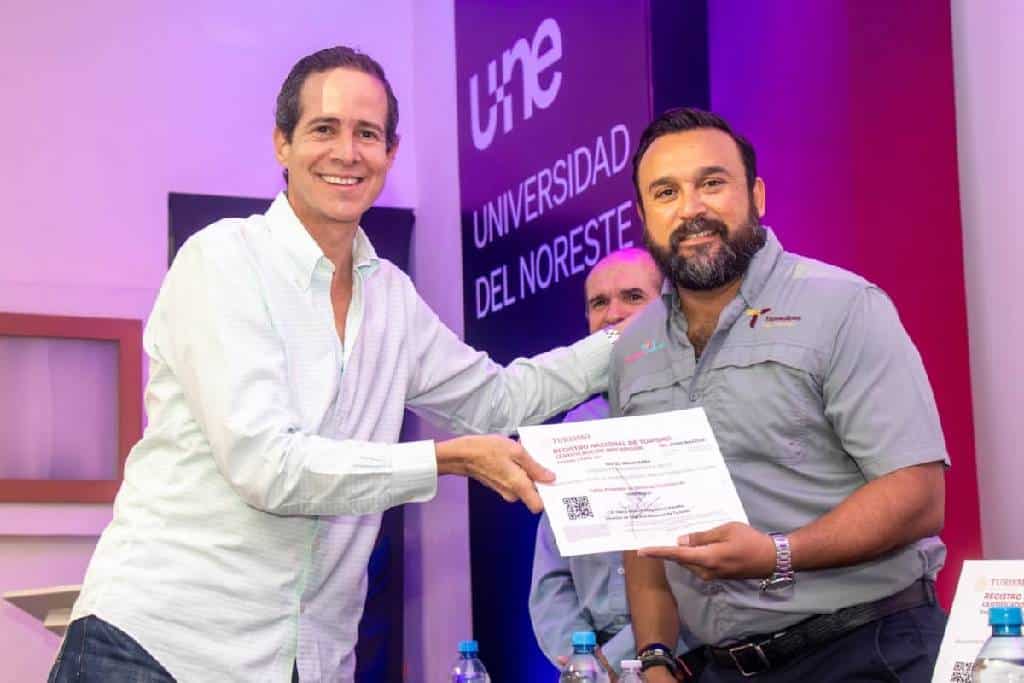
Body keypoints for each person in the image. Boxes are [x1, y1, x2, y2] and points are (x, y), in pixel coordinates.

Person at [49, 47, 615, 683]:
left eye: (367, 134)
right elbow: (267, 466)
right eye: (324, 129)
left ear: (390, 154)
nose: (347, 153)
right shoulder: (224, 260)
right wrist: (442, 460)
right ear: (282, 144)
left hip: (308, 661)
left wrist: (634, 339)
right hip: (158, 649)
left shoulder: (391, 297)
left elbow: (498, 401)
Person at [613, 108, 948, 682]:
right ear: (644, 219)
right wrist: (655, 659)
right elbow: (644, 528)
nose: (690, 208)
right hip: (720, 667)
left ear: (757, 196)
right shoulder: (632, 350)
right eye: (666, 193)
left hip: (866, 650)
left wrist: (777, 554)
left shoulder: (843, 306)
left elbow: (919, 495)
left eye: (711, 183)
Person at [529, 247, 671, 677]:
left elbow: (707, 580)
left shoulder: (697, 410)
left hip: (682, 659)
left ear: (670, 308)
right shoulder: (578, 424)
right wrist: (583, 659)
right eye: (599, 303)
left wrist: (619, 659)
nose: (613, 314)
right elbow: (552, 575)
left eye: (633, 297)